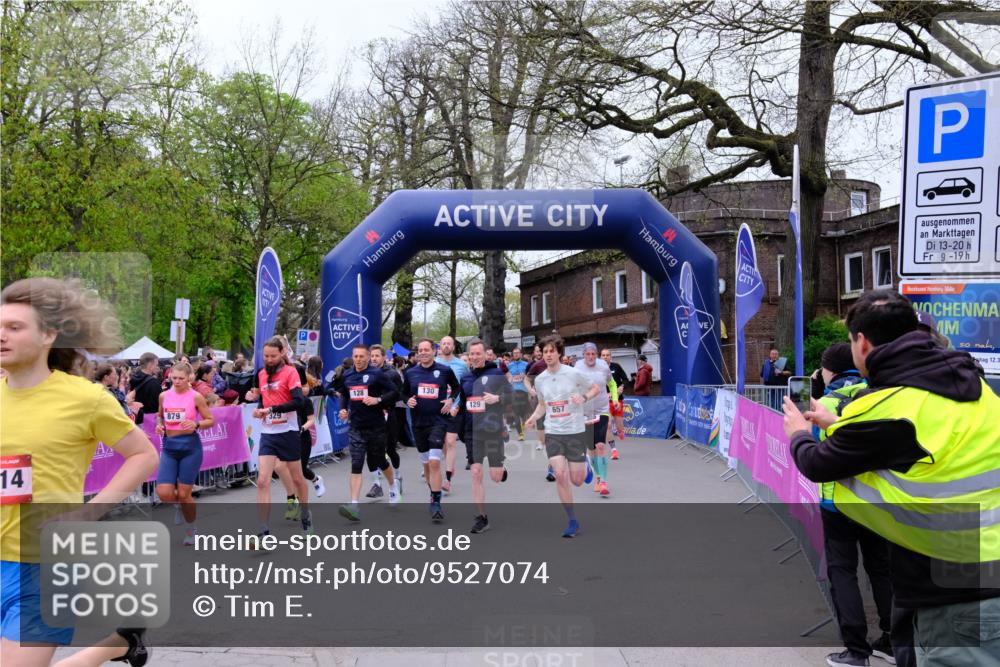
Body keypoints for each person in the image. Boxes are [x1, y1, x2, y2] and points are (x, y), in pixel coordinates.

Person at [783, 289, 1000, 667]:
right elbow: (914, 439)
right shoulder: (970, 384)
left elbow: (818, 463)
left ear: (862, 343)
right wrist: (838, 423)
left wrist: (798, 433)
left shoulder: (884, 406)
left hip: (953, 591)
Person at [1, 278, 159, 667]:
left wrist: (89, 512)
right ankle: (116, 645)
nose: (2, 335)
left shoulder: (84, 398)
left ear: (48, 335)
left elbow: (144, 455)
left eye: (15, 327)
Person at [809, 343, 895, 667]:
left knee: (843, 572)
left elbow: (813, 449)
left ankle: (856, 650)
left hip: (838, 502)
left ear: (828, 370)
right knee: (881, 569)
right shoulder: (877, 395)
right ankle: (892, 640)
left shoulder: (824, 403)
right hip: (876, 500)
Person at [525, 335, 600, 538]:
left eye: (552, 351)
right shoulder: (540, 380)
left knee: (577, 480)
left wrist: (583, 397)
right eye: (545, 351)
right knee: (559, 474)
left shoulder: (573, 373)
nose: (548, 355)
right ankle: (572, 520)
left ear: (559, 353)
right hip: (553, 432)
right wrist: (533, 418)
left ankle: (586, 465)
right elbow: (543, 405)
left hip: (574, 431)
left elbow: (595, 388)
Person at [246, 336, 313, 544]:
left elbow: (298, 401)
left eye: (273, 356)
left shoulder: (291, 372)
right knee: (262, 481)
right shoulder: (261, 374)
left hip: (288, 432)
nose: (269, 359)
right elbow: (263, 400)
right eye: (266, 356)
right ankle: (264, 531)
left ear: (282, 353)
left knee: (298, 479)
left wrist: (272, 409)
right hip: (268, 434)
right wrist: (259, 410)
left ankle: (305, 515)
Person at [337, 344, 400, 521]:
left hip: (376, 426)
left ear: (368, 357)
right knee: (356, 464)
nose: (358, 359)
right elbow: (345, 394)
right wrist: (343, 409)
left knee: (379, 460)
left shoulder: (377, 374)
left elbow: (394, 392)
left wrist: (378, 399)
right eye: (355, 356)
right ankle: (354, 505)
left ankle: (393, 486)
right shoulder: (347, 375)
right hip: (356, 427)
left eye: (362, 356)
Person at [155, 362, 215, 546]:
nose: (177, 381)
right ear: (170, 376)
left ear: (189, 378)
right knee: (164, 493)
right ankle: (180, 505)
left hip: (190, 448)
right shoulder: (164, 396)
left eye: (181, 378)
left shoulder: (196, 396)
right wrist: (159, 425)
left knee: (184, 494)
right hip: (170, 448)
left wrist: (196, 424)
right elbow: (160, 416)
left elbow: (210, 420)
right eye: (174, 378)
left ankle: (191, 529)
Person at [403, 338, 460, 522]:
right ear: (417, 353)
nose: (423, 353)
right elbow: (403, 393)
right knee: (427, 464)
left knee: (435, 462)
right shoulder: (410, 373)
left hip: (438, 421)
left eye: (426, 349)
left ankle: (436, 502)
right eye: (420, 350)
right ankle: (433, 492)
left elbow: (457, 388)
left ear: (434, 351)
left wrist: (451, 400)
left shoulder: (444, 370)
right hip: (418, 423)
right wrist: (407, 400)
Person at [458, 339, 511, 534]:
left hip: (492, 430)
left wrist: (497, 398)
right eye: (471, 354)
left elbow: (513, 396)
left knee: (495, 477)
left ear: (485, 354)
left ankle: (501, 469)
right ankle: (482, 517)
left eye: (478, 354)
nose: (474, 357)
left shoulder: (496, 374)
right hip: (472, 432)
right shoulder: (465, 378)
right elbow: (463, 403)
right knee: (475, 472)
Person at [575, 343, 613, 497]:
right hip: (585, 412)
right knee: (591, 448)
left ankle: (603, 481)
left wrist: (614, 397)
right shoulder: (577, 367)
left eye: (593, 354)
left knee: (600, 445)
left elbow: (611, 383)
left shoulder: (603, 366)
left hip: (602, 410)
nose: (590, 357)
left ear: (596, 354)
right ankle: (597, 476)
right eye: (587, 354)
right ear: (583, 355)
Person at [436, 335, 470, 493]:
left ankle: (447, 479)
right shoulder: (435, 363)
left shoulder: (461, 365)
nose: (446, 346)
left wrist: (458, 406)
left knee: (450, 442)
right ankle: (449, 467)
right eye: (443, 343)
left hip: (455, 408)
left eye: (449, 343)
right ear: (440, 346)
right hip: (438, 409)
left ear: (453, 347)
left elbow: (466, 386)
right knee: (443, 443)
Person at [368, 345, 403, 497]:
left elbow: (399, 393)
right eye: (372, 356)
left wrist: (382, 400)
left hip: (389, 413)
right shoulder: (367, 373)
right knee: (372, 450)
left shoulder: (392, 373)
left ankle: (397, 476)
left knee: (390, 449)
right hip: (372, 415)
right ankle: (377, 484)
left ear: (384, 357)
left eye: (377, 356)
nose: (374, 358)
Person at [601, 348, 628, 459]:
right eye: (603, 355)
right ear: (600, 357)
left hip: (618, 400)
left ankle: (620, 431)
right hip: (604, 402)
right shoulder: (597, 370)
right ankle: (614, 450)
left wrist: (621, 387)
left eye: (607, 355)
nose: (605, 357)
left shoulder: (616, 367)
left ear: (610, 357)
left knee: (620, 427)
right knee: (607, 426)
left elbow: (626, 379)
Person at [129, 352, 162, 425]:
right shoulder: (153, 382)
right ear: (150, 365)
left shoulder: (133, 378)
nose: (157, 367)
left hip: (136, 418)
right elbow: (157, 404)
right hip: (150, 420)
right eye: (156, 365)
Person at [506, 347, 531, 441]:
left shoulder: (526, 365)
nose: (516, 354)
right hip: (513, 392)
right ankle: (520, 434)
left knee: (523, 413)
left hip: (524, 391)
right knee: (515, 413)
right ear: (513, 355)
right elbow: (506, 377)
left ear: (521, 354)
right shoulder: (509, 366)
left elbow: (530, 377)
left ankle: (523, 425)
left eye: (517, 353)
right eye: (514, 353)